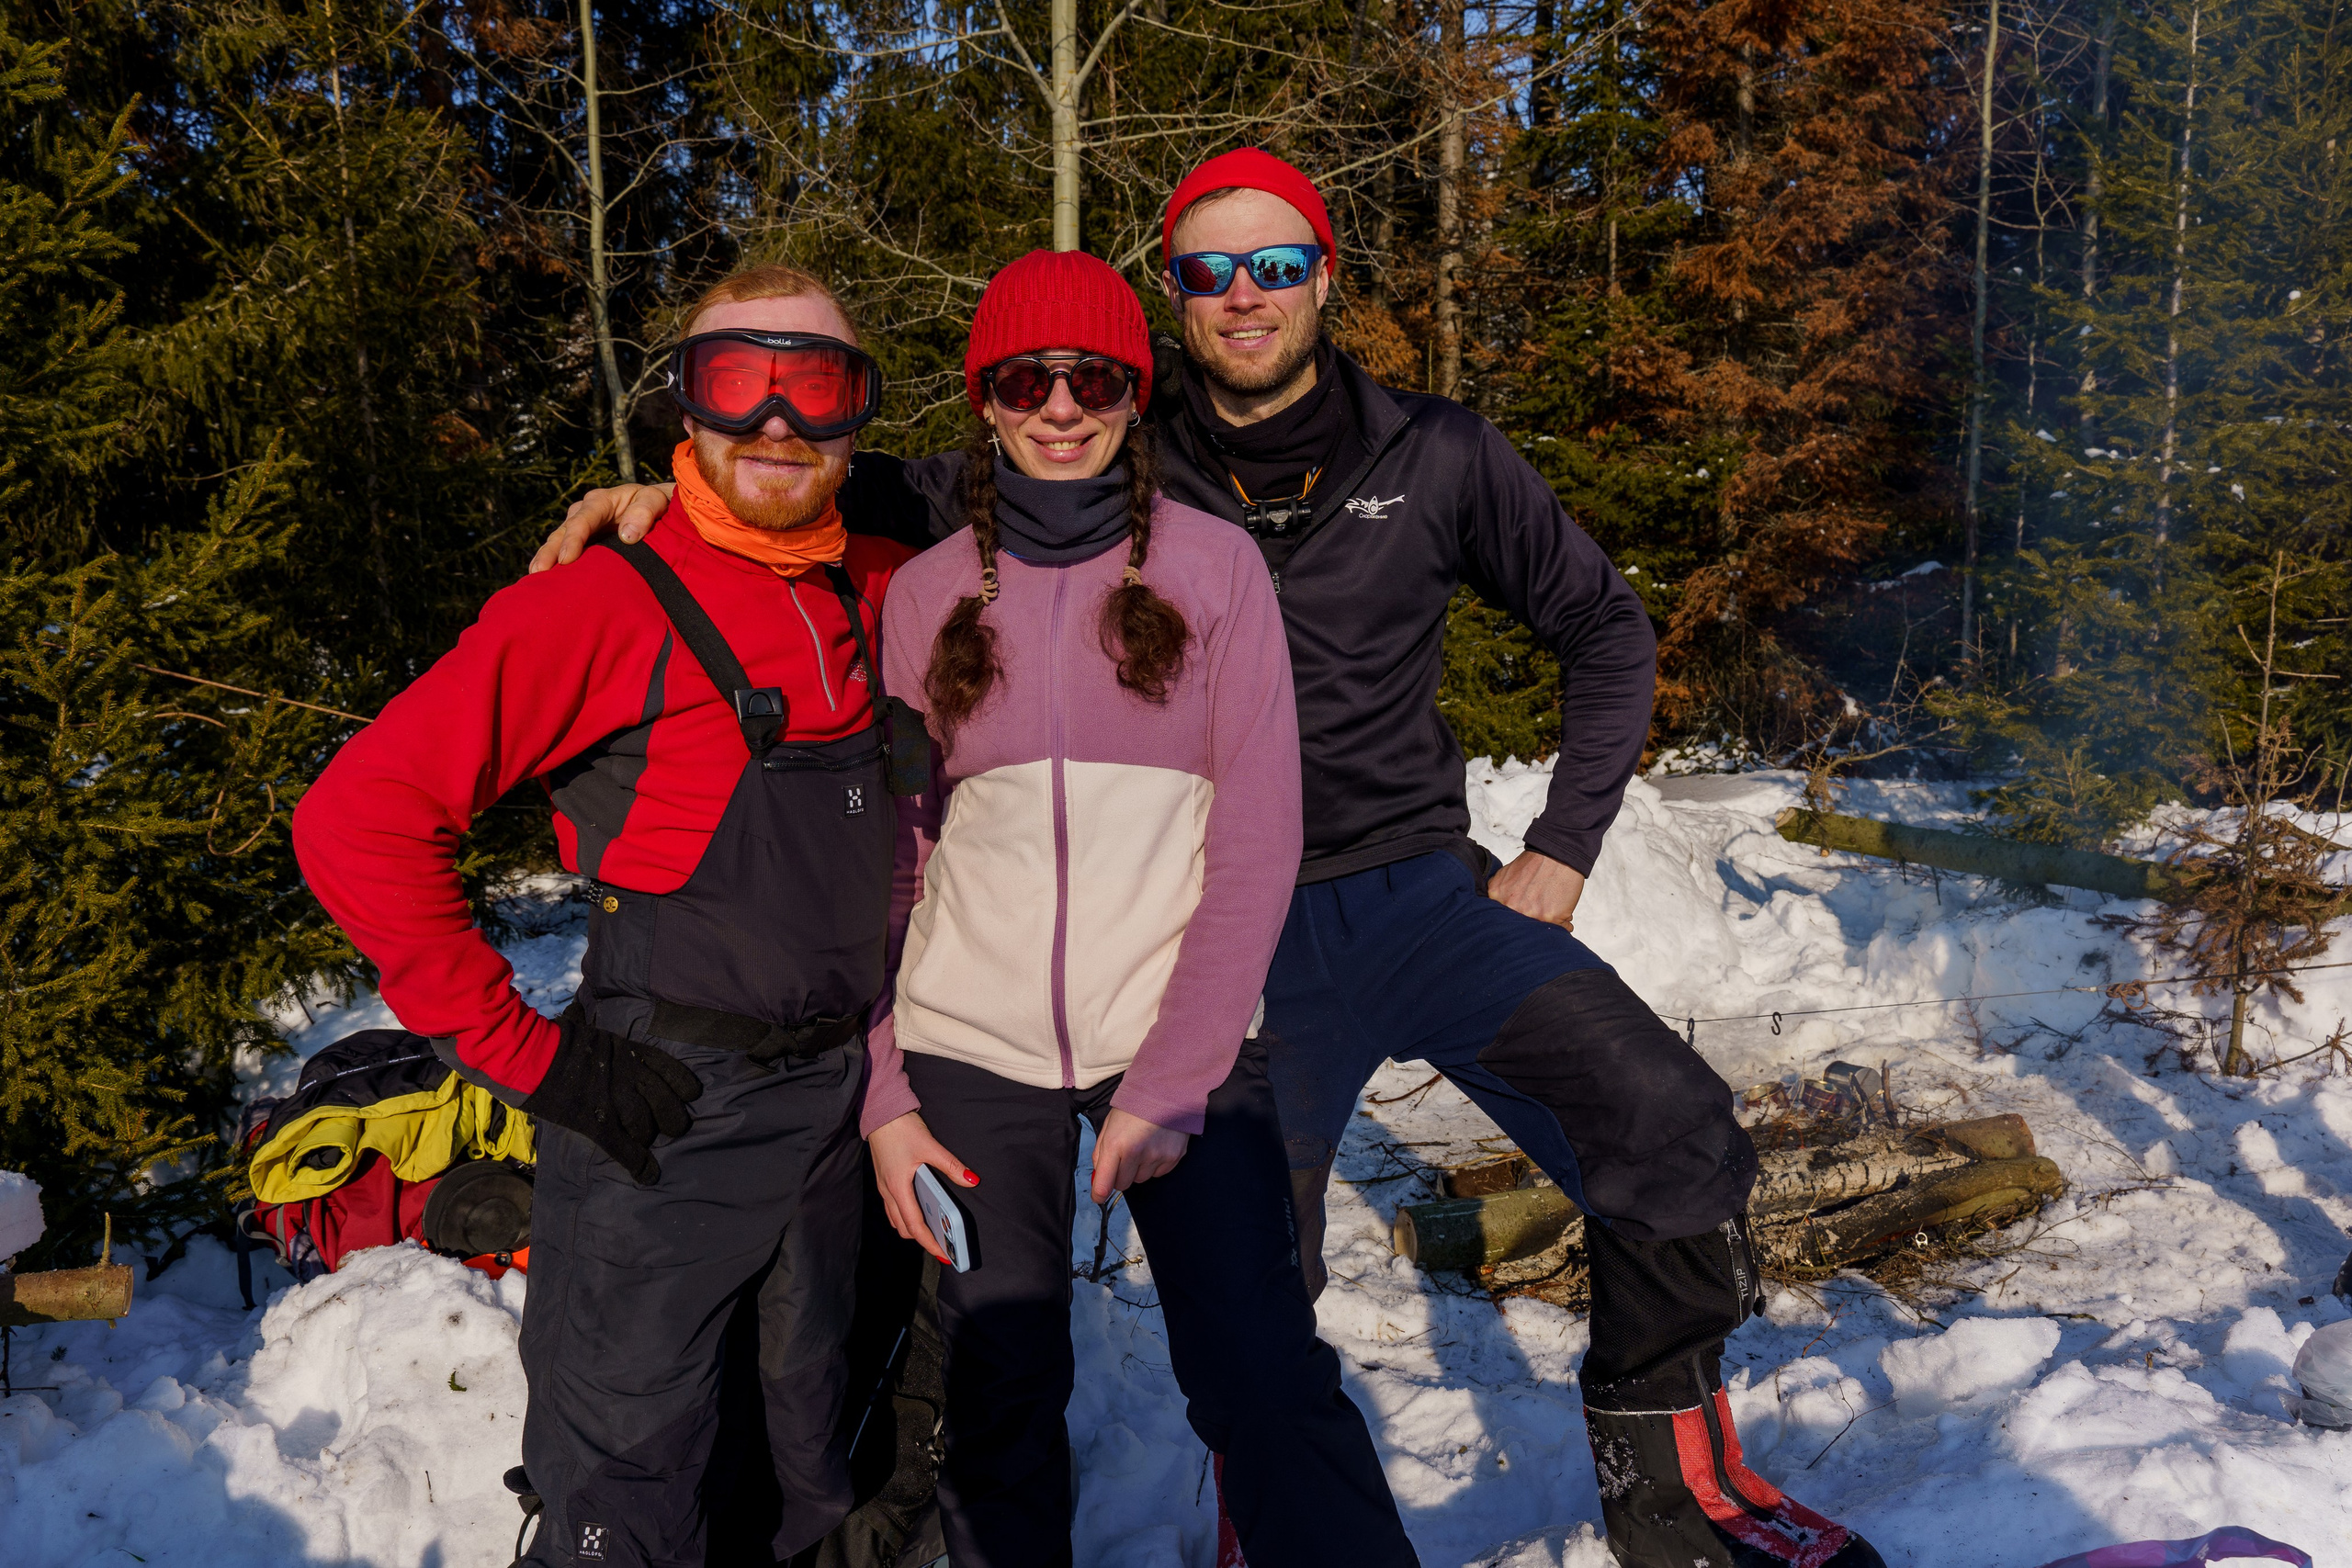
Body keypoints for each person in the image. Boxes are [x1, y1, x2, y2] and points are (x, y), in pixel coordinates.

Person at [534, 158, 1883, 1568]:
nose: (1243, 296)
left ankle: (1682, 1491)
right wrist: (685, 491)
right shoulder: (1109, 434)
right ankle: (1256, 1528)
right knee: (1258, 1286)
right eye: (1206, 272)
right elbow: (876, 477)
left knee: (1666, 1125)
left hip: (1414, 890)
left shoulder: (1437, 454)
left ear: (1327, 275)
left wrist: (1561, 846)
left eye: (1276, 265)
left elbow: (1606, 630)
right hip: (1205, 940)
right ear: (1168, 302)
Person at [296, 264, 922, 1568]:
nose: (773, 419)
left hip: (831, 1106)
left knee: (801, 1454)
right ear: (681, 413)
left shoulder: (876, 583)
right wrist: (522, 1053)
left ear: (859, 416)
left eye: (815, 384)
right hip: (658, 1111)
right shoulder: (600, 601)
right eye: (730, 380)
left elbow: (1052, 475)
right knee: (628, 1489)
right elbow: (357, 821)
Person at [854, 248, 1418, 1568]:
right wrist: (885, 1090)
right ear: (984, 399)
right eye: (1025, 378)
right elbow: (892, 863)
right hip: (968, 1046)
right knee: (997, 1394)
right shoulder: (928, 593)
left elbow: (1259, 835)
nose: (1061, 405)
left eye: (1093, 375)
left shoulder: (1216, 571)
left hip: (1179, 1037)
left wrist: (1174, 1075)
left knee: (1259, 1376)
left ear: (1133, 388)